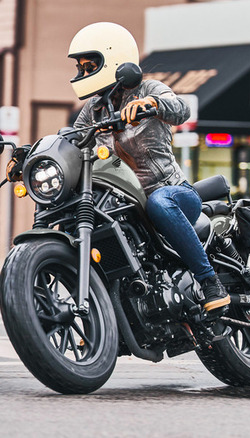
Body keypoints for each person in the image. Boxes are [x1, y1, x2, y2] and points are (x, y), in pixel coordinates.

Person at [68, 22, 229, 316]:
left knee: (159, 202)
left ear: (113, 59)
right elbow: (73, 141)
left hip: (172, 194)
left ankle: (209, 282)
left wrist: (151, 104)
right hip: (126, 201)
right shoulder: (93, 109)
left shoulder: (148, 89)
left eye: (89, 66)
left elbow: (180, 108)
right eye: (81, 68)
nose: (83, 74)